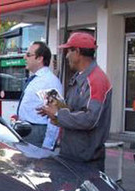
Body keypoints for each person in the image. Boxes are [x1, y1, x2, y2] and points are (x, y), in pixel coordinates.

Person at [38, 32, 112, 172]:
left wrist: (59, 114)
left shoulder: (96, 80)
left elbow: (90, 118)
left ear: (77, 52)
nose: (66, 56)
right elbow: (74, 110)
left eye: (68, 51)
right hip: (75, 153)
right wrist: (53, 113)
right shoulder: (82, 77)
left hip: (85, 158)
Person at [15, 41, 63, 149]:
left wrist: (48, 145)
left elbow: (55, 115)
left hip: (37, 134)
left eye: (28, 55)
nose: (24, 57)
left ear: (39, 58)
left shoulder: (49, 81)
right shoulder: (36, 79)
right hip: (26, 131)